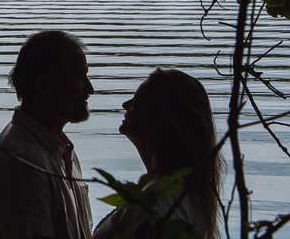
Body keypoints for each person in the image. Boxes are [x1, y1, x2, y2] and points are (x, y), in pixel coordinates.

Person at [0, 30, 95, 239]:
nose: (90, 88)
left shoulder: (60, 148)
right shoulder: (22, 161)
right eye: (80, 77)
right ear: (45, 85)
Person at [92, 69, 221, 239]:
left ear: (157, 124)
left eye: (136, 103)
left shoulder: (158, 202)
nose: (125, 104)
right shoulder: (183, 189)